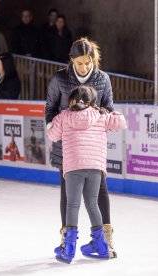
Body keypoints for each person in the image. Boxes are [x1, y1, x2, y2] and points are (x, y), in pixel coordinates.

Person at [45, 38, 117, 258]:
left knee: (100, 190)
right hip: (66, 145)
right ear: (71, 61)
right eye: (79, 63)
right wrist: (53, 128)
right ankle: (67, 238)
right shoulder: (59, 79)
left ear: (92, 59)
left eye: (87, 63)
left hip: (92, 147)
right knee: (68, 193)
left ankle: (105, 237)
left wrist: (101, 114)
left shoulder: (102, 79)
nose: (83, 67)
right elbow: (50, 108)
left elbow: (110, 108)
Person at [47, 85, 126, 263]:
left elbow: (52, 135)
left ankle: (68, 249)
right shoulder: (100, 115)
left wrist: (52, 123)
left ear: (72, 100)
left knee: (72, 204)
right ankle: (101, 246)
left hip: (74, 166)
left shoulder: (64, 116)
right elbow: (121, 122)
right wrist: (108, 112)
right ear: (92, 102)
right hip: (95, 166)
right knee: (92, 203)